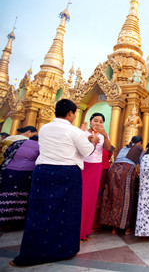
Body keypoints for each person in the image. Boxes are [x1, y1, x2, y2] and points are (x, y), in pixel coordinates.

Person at [11, 99, 96, 266]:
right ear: (71, 113)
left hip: (43, 172)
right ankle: (63, 250)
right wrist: (92, 142)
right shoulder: (74, 131)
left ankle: (30, 253)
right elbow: (87, 151)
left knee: (38, 212)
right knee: (67, 213)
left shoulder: (44, 129)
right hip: (66, 173)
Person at [100, 136, 143, 235]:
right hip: (126, 171)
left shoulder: (124, 148)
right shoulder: (139, 148)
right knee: (125, 199)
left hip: (113, 170)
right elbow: (141, 163)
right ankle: (124, 227)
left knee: (112, 197)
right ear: (140, 142)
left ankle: (111, 226)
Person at [80, 113, 112, 241]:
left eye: (100, 122)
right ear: (90, 121)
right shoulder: (83, 133)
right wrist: (88, 139)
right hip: (83, 165)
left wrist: (105, 135)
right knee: (82, 197)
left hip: (96, 167)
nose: (98, 124)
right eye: (95, 121)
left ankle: (86, 230)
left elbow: (108, 148)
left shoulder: (104, 135)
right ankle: (77, 231)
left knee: (92, 198)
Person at [0, 135, 39, 231]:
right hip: (25, 173)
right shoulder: (40, 146)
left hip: (9, 170)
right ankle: (14, 223)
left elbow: (7, 153)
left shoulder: (18, 142)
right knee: (20, 197)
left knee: (6, 195)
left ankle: (3, 221)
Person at [92, 146, 115, 230]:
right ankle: (96, 223)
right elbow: (110, 157)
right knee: (99, 196)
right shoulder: (107, 147)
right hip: (102, 170)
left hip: (94, 169)